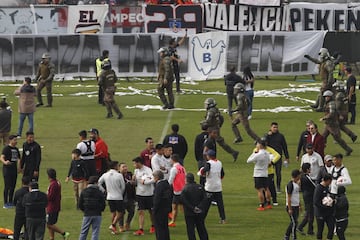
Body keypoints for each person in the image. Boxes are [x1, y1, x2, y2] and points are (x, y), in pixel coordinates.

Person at [202, 98, 239, 162]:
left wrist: (203, 123)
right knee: (216, 142)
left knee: (210, 143)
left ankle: (233, 152)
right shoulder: (216, 110)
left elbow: (208, 121)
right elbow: (221, 118)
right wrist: (219, 126)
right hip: (216, 128)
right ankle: (233, 152)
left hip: (212, 130)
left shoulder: (210, 111)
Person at [320, 90, 353, 156]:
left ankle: (348, 149)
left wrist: (324, 118)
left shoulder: (331, 103)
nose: (326, 98)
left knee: (338, 139)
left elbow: (332, 113)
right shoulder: (329, 103)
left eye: (327, 97)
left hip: (332, 125)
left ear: (330, 97)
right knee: (322, 138)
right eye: (325, 96)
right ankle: (319, 150)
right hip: (328, 124)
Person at [198, 150, 226, 223]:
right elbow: (222, 174)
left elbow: (203, 171)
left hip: (210, 187)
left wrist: (203, 173)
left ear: (209, 156)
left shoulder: (209, 163)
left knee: (206, 205)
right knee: (220, 204)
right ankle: (223, 218)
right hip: (218, 186)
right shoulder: (219, 163)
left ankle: (202, 219)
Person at [98, 161, 125, 235]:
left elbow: (99, 183)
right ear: (115, 166)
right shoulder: (119, 175)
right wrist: (121, 193)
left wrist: (104, 191)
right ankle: (113, 225)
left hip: (109, 196)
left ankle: (114, 229)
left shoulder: (105, 175)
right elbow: (123, 187)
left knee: (113, 212)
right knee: (121, 212)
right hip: (118, 196)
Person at [181, 173, 209, 240]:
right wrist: (199, 207)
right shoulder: (200, 187)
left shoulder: (185, 189)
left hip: (189, 213)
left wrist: (193, 208)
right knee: (201, 228)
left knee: (191, 230)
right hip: (200, 212)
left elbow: (184, 201)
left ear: (186, 179)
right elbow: (205, 198)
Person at [132, 157, 155, 236]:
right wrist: (133, 180)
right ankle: (141, 229)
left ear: (139, 163)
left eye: (135, 163)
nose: (134, 165)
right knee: (141, 212)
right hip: (139, 194)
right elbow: (136, 183)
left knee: (151, 211)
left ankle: (153, 226)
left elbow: (153, 179)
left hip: (149, 194)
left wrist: (145, 182)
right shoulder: (136, 171)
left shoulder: (148, 170)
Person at [246, 139, 272, 211]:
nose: (256, 145)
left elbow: (248, 160)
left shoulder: (259, 154)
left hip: (258, 173)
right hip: (265, 173)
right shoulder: (267, 153)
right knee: (267, 188)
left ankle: (262, 205)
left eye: (257, 144)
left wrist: (254, 153)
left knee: (259, 190)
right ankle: (269, 204)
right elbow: (269, 162)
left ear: (260, 145)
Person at [78, 176, 106, 240]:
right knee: (95, 232)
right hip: (97, 214)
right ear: (95, 183)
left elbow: (80, 204)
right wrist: (100, 210)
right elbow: (103, 203)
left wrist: (84, 210)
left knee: (83, 232)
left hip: (87, 213)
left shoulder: (84, 191)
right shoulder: (99, 192)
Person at [265, 122, 290, 193]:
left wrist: (287, 157)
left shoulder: (281, 136)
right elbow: (263, 143)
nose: (275, 129)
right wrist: (267, 135)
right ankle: (269, 187)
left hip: (278, 157)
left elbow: (284, 147)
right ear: (270, 128)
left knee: (278, 173)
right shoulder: (268, 136)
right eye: (274, 127)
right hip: (269, 157)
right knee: (269, 173)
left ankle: (278, 187)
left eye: (276, 127)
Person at [46, 168, 70, 240]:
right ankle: (51, 238)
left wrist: (45, 197)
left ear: (49, 176)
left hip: (52, 207)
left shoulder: (53, 184)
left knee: (49, 224)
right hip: (55, 206)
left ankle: (64, 233)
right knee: (51, 223)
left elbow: (51, 197)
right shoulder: (57, 182)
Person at [314, 173, 335, 240]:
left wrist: (332, 200)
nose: (331, 182)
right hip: (320, 213)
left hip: (329, 213)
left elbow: (329, 196)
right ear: (328, 180)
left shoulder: (327, 187)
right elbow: (316, 202)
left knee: (331, 228)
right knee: (320, 230)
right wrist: (325, 206)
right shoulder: (318, 188)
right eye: (330, 181)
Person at [1, 135, 20, 208]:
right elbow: (2, 157)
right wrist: (5, 162)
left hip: (14, 169)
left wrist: (19, 168)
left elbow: (18, 159)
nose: (16, 141)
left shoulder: (16, 149)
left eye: (16, 140)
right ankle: (5, 203)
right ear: (10, 140)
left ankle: (10, 201)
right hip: (7, 169)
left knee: (13, 186)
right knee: (7, 186)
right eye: (14, 140)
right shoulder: (6, 148)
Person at [297, 163, 316, 236]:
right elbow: (314, 186)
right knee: (310, 213)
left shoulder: (302, 177)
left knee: (309, 212)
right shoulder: (307, 177)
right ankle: (305, 228)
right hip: (309, 197)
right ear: (307, 169)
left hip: (306, 195)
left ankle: (308, 229)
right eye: (310, 168)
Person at [152, 170, 172, 240]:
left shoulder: (159, 186)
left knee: (159, 228)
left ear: (156, 177)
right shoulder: (167, 184)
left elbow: (157, 199)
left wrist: (154, 210)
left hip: (159, 210)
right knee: (165, 227)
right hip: (165, 209)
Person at [168, 154, 186, 227]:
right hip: (183, 189)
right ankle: (189, 220)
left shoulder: (174, 169)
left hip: (177, 191)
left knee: (174, 207)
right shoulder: (182, 167)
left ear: (173, 160)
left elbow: (171, 180)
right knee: (183, 207)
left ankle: (173, 221)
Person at [283, 169, 301, 240]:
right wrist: (290, 208)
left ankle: (286, 236)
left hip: (296, 206)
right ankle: (294, 237)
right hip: (292, 207)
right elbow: (289, 197)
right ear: (297, 176)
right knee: (294, 223)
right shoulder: (290, 185)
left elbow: (296, 196)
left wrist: (299, 205)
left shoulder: (296, 184)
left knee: (294, 222)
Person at [118, 162, 136, 232]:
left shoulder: (129, 174)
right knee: (121, 212)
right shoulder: (118, 176)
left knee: (132, 211)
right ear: (119, 168)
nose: (125, 168)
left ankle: (127, 223)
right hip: (121, 196)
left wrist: (133, 182)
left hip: (130, 195)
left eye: (126, 166)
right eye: (123, 167)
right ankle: (121, 226)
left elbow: (134, 183)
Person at [13, 176, 30, 240]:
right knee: (27, 230)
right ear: (29, 183)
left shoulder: (18, 192)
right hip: (27, 213)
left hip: (19, 213)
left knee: (17, 230)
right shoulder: (30, 192)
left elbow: (14, 202)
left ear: (22, 182)